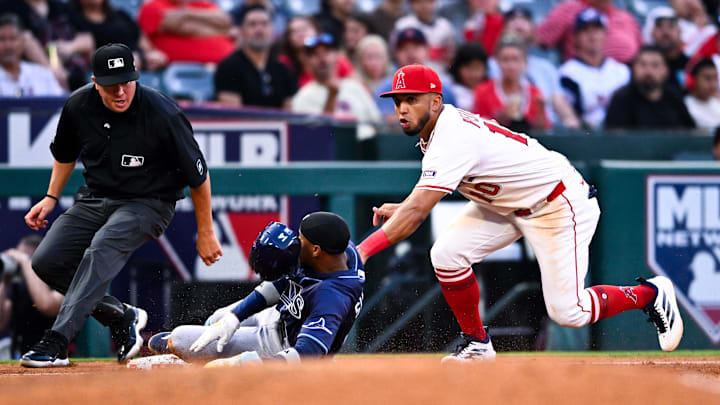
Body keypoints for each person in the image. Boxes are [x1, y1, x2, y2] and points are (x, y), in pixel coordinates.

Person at [356, 63, 684, 362]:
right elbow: (425, 198)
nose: (401, 108)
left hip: (557, 204)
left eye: (411, 99)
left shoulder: (450, 136)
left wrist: (362, 252)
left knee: (569, 312)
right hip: (508, 207)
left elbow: (417, 213)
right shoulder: (438, 132)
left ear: (435, 102)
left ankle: (649, 294)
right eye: (398, 100)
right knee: (446, 254)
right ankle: (477, 345)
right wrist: (407, 205)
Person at [19, 43, 222, 368]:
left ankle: (57, 342)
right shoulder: (79, 105)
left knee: (102, 247)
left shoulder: (162, 112)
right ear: (95, 81)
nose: (120, 91)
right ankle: (120, 314)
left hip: (150, 202)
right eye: (111, 84)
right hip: (97, 197)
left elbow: (198, 177)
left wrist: (206, 231)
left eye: (127, 82)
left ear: (136, 78)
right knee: (46, 261)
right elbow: (65, 153)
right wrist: (51, 196)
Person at [142, 213, 364, 366]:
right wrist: (233, 318)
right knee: (217, 320)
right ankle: (205, 353)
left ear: (316, 250)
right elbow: (277, 286)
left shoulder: (331, 296)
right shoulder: (341, 253)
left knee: (178, 338)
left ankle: (193, 364)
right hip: (278, 317)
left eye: (302, 239)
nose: (296, 241)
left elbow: (308, 352)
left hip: (283, 345)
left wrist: (248, 363)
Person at [488, 7, 580, 129]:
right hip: (505, 129)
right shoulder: (492, 64)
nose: (518, 24)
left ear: (533, 29)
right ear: (503, 29)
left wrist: (570, 120)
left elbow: (559, 101)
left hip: (546, 129)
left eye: (524, 20)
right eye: (512, 20)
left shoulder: (546, 67)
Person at [291, 33, 381, 140]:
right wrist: (332, 96)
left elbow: (378, 123)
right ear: (308, 61)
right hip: (332, 153)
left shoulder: (354, 87)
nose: (322, 58)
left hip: (367, 148)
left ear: (336, 56)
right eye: (315, 54)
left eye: (326, 52)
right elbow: (315, 138)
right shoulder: (302, 97)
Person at [558, 8, 630, 129]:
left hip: (620, 134)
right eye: (585, 30)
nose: (592, 35)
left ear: (605, 34)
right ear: (576, 37)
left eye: (597, 29)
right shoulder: (567, 73)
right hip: (586, 137)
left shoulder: (622, 71)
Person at [214, 5, 297, 109]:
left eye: (264, 24)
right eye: (252, 24)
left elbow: (289, 115)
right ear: (241, 31)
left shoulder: (283, 70)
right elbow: (233, 116)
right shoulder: (227, 67)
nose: (259, 29)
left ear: (273, 30)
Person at [0, 236, 64, 358]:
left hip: (57, 360)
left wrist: (25, 261)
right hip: (22, 360)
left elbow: (47, 305)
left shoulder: (60, 283)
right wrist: (4, 280)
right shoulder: (18, 287)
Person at [376, 27, 457, 123]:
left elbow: (454, 122)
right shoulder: (386, 88)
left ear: (427, 50)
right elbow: (388, 122)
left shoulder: (444, 88)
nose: (410, 53)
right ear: (396, 54)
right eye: (404, 49)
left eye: (416, 47)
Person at [605, 46, 695, 129]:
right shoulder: (621, 98)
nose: (648, 71)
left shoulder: (674, 97)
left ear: (666, 70)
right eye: (643, 65)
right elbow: (614, 140)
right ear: (633, 68)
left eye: (655, 65)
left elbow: (690, 134)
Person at [473, 37, 549, 132]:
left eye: (515, 59)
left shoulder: (534, 93)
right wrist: (498, 119)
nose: (510, 66)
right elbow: (476, 126)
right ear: (497, 61)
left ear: (524, 62)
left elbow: (543, 129)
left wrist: (541, 110)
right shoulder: (483, 91)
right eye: (505, 60)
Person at [70, 0, 167, 71]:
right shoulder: (74, 18)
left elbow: (142, 41)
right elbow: (91, 59)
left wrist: (152, 55)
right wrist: (125, 61)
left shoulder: (120, 14)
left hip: (140, 63)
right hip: (110, 72)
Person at [536, 0, 641, 64]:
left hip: (628, 77)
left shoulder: (626, 17)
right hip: (583, 73)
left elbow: (642, 51)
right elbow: (539, 41)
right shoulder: (569, 9)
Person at [137, 0, 234, 64]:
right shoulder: (152, 6)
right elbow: (182, 28)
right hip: (178, 71)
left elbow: (226, 21)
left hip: (223, 64)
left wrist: (186, 13)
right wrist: (218, 29)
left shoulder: (203, 4)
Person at [0, 13, 64, 97]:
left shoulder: (42, 75)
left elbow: (60, 106)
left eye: (13, 39)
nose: (8, 46)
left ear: (23, 42)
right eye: (2, 39)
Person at [394, 0, 456, 69]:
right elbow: (395, 52)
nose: (424, 5)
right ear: (411, 4)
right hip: (409, 71)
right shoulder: (403, 24)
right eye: (418, 2)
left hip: (439, 72)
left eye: (428, 1)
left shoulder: (445, 26)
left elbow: (451, 54)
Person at [642, 7, 689, 90]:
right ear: (651, 32)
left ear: (680, 31)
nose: (665, 32)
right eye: (659, 26)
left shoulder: (691, 65)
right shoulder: (643, 65)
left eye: (671, 26)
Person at [448, 42, 488, 112]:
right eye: (468, 67)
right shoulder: (450, 91)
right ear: (458, 68)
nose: (473, 74)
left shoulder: (492, 91)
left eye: (477, 68)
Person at [685, 58, 720, 130]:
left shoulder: (717, 102)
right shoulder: (685, 106)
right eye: (708, 78)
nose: (713, 85)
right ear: (692, 80)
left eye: (715, 79)